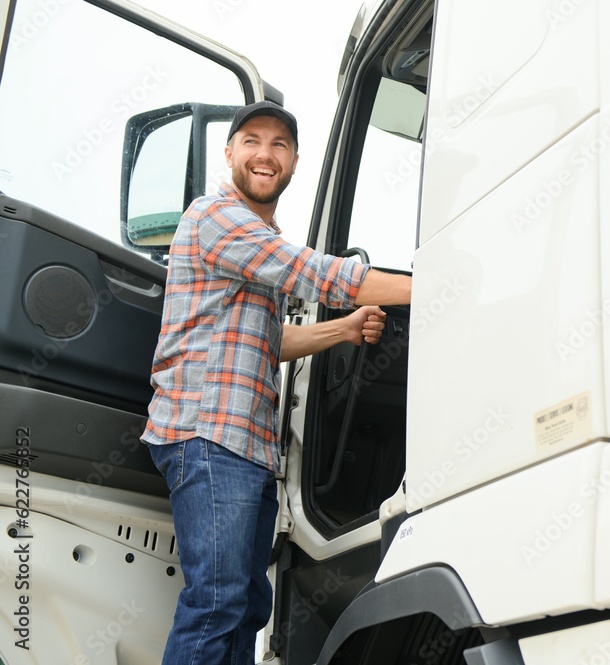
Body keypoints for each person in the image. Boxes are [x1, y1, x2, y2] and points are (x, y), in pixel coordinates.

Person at [141, 100, 411, 664]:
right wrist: (430, 283)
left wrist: (344, 327)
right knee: (217, 602)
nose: (266, 154)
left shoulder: (257, 237)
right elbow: (316, 273)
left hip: (246, 446)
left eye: (280, 145)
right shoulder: (217, 216)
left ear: (292, 162)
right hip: (209, 435)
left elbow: (267, 341)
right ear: (230, 153)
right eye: (253, 141)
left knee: (244, 607)